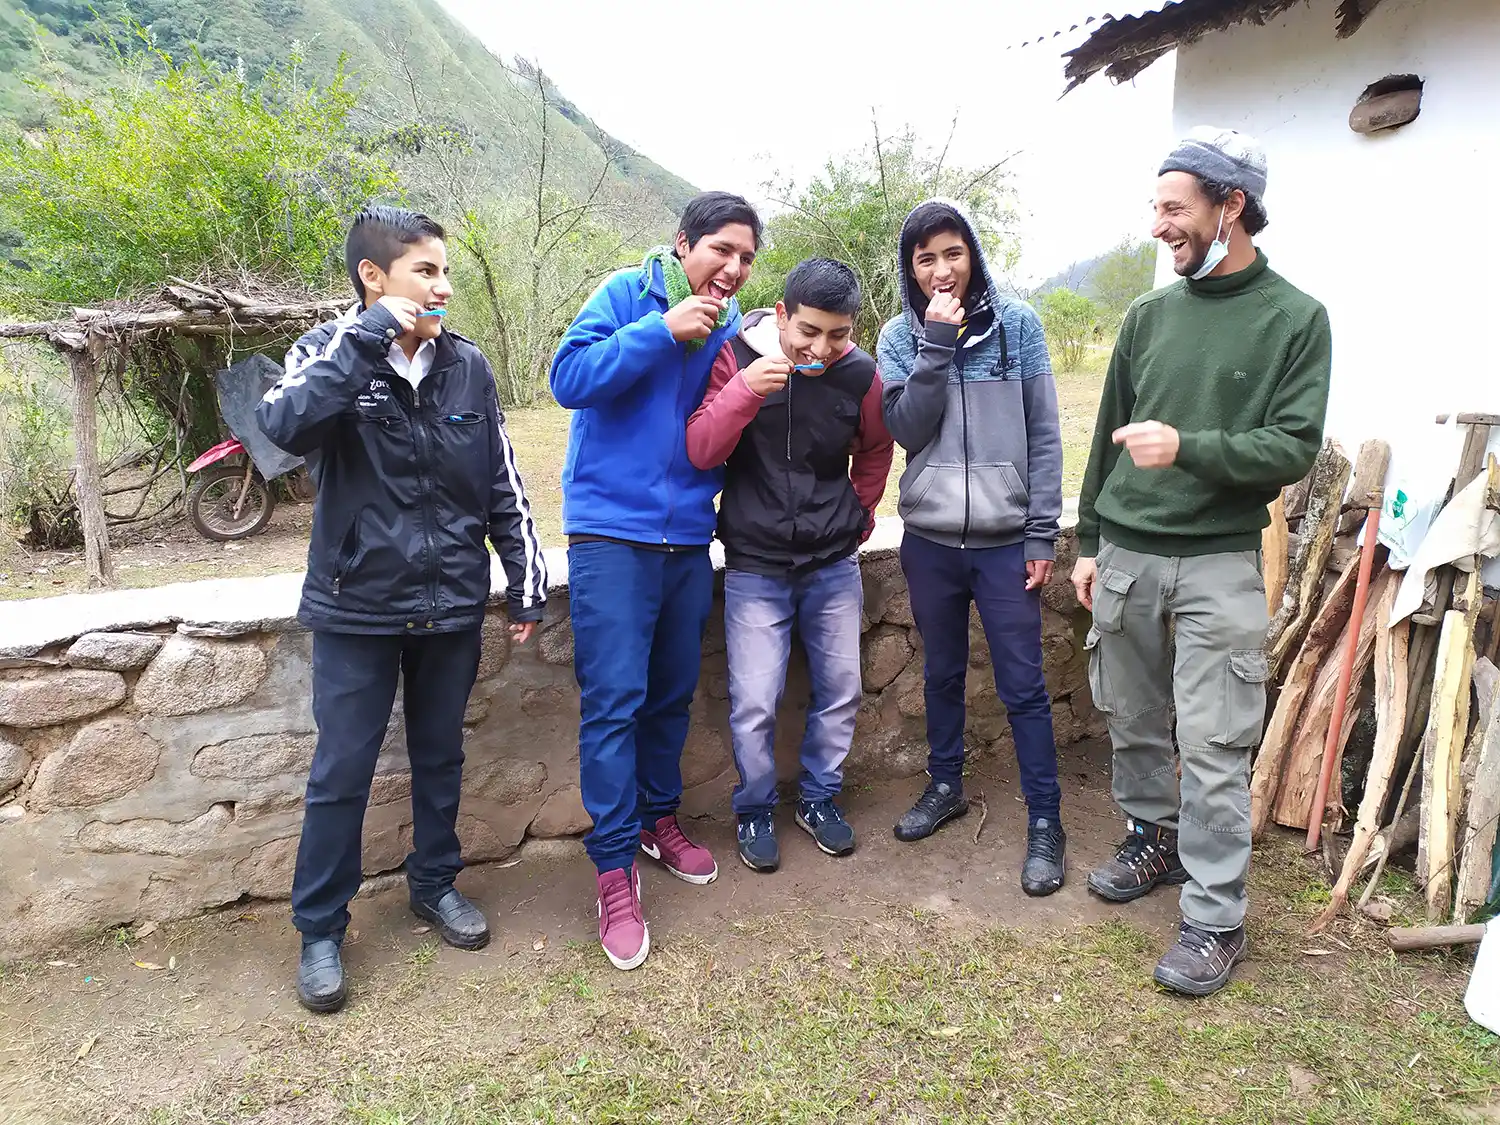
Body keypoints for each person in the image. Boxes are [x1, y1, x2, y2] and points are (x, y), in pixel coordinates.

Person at [257, 205, 547, 1013]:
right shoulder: (326, 350)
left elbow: (501, 480)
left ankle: (434, 885)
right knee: (341, 771)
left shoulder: (469, 366)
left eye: (446, 271)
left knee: (441, 758)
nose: (444, 286)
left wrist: (525, 575)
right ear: (374, 277)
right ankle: (319, 928)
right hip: (357, 606)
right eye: (427, 271)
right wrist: (364, 339)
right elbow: (280, 427)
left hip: (450, 602)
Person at [1074, 128, 1331, 997]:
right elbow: (1104, 443)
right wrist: (1087, 543)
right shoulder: (1148, 317)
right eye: (1156, 209)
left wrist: (1187, 445)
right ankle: (1153, 840)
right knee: (1136, 718)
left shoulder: (1295, 318)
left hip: (1220, 563)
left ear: (1233, 207)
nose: (1159, 225)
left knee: (1218, 742)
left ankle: (1216, 915)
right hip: (1127, 557)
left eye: (1174, 208)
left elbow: (1292, 447)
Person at [550, 191, 760, 970]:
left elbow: (713, 432)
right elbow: (567, 378)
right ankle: (612, 868)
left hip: (686, 536)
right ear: (683, 244)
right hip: (610, 531)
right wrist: (657, 332)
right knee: (614, 702)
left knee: (671, 693)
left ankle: (656, 819)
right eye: (721, 251)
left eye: (746, 258)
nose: (733, 268)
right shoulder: (624, 295)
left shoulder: (734, 328)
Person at [878, 199, 1067, 897]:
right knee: (942, 674)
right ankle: (946, 784)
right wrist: (934, 343)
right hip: (930, 541)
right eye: (924, 258)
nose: (940, 269)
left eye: (951, 253)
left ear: (973, 255)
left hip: (1005, 543)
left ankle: (1047, 820)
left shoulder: (1019, 327)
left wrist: (1041, 530)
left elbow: (1045, 437)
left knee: (1023, 685)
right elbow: (906, 427)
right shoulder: (898, 335)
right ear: (912, 268)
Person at [685, 257, 894, 872]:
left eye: (839, 333)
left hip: (833, 562)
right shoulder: (734, 358)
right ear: (781, 315)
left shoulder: (860, 374)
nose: (822, 348)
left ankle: (820, 798)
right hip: (755, 565)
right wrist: (746, 391)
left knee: (842, 689)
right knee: (754, 699)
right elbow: (701, 448)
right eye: (808, 331)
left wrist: (859, 516)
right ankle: (753, 807)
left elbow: (877, 447)